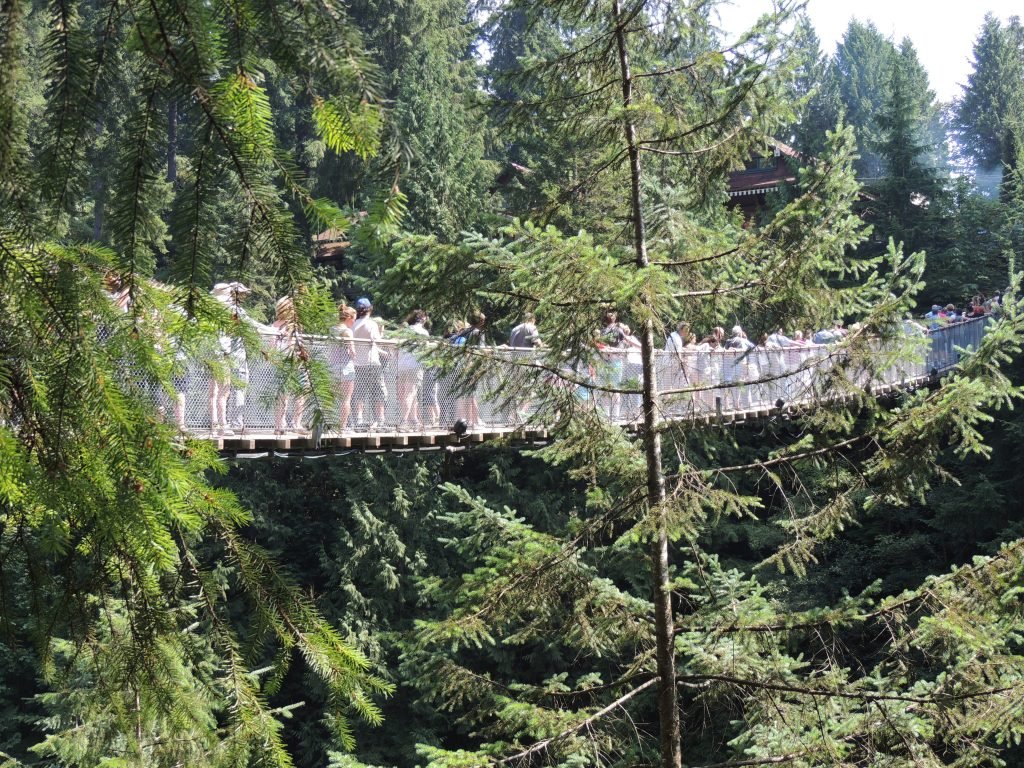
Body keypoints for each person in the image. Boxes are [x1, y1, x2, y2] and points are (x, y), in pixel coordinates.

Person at [209, 281, 274, 436]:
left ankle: (223, 424)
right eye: (241, 293)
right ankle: (224, 425)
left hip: (225, 354)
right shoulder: (231, 310)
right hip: (224, 354)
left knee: (223, 391)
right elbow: (252, 325)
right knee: (224, 390)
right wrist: (273, 331)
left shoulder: (216, 311)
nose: (244, 296)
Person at [271, 296, 309, 436]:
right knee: (296, 393)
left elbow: (273, 347)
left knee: (289, 393)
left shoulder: (276, 325)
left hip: (288, 361)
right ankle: (292, 424)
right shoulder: (289, 325)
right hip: (290, 361)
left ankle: (281, 425)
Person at [352, 297, 387, 431]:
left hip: (357, 364)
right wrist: (381, 332)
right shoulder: (371, 324)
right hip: (372, 363)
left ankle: (359, 419)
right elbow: (377, 341)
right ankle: (380, 419)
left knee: (359, 392)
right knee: (379, 392)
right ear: (370, 309)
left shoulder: (353, 324)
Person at [396, 309, 431, 430]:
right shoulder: (423, 332)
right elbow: (426, 350)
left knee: (410, 394)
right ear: (423, 319)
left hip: (401, 365)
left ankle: (414, 420)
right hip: (414, 365)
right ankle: (403, 422)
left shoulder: (404, 331)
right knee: (410, 394)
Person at [330, 304, 357, 432]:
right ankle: (342, 426)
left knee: (332, 398)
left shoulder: (332, 329)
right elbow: (352, 351)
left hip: (332, 366)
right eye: (354, 319)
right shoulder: (347, 331)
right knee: (346, 399)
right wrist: (354, 354)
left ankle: (330, 424)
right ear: (348, 318)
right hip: (345, 368)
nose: (354, 322)